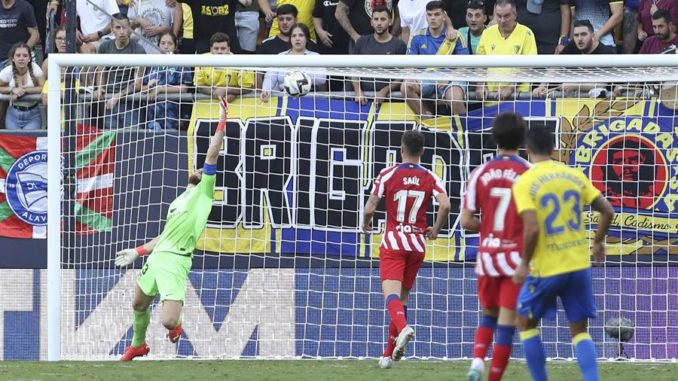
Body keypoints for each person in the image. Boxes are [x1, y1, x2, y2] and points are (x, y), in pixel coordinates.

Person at [115, 97, 229, 361]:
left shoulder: (204, 195)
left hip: (177, 260)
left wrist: (222, 120)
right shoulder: (178, 200)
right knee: (138, 304)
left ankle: (176, 325)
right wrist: (138, 250)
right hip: (157, 257)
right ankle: (138, 345)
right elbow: (165, 235)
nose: (201, 169)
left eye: (204, 170)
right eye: (199, 169)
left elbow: (212, 154)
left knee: (167, 321)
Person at [512, 127, 615, 381]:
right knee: (579, 331)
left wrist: (524, 263)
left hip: (546, 267)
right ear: (554, 150)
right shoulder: (574, 175)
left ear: (528, 150)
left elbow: (533, 227)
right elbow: (608, 211)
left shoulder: (525, 181)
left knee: (524, 323)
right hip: (579, 265)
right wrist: (598, 242)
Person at [362, 129, 451, 369]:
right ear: (422, 152)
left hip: (394, 242)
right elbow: (445, 204)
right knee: (402, 299)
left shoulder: (388, 173)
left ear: (401, 150)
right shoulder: (430, 176)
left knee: (391, 296)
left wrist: (365, 223)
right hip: (416, 244)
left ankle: (404, 328)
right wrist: (435, 230)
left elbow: (370, 207)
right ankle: (388, 355)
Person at [461, 112, 530, 381]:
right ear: (522, 139)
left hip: (487, 256)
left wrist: (489, 228)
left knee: (488, 314)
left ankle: (477, 360)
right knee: (507, 324)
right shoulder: (527, 172)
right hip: (514, 258)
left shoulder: (480, 172)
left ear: (494, 139)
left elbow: (466, 220)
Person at [401, 0, 469, 118]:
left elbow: (465, 66)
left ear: (444, 16)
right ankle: (426, 123)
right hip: (426, 77)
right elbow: (409, 63)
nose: (433, 18)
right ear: (426, 17)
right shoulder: (417, 36)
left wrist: (449, 77)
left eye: (437, 14)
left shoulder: (456, 36)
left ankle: (464, 132)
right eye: (429, 14)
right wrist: (410, 76)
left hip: (450, 78)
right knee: (405, 87)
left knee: (455, 99)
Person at [532, 20, 614, 98]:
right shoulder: (573, 45)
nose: (579, 39)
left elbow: (602, 83)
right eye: (576, 35)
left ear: (593, 36)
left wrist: (575, 85)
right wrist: (542, 85)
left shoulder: (606, 52)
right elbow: (556, 65)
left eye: (583, 34)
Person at [475, 0, 537, 101]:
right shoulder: (487, 33)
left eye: (506, 16)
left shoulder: (526, 33)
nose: (502, 20)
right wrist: (480, 86)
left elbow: (528, 66)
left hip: (518, 98)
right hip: (491, 98)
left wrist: (510, 87)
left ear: (515, 14)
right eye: (499, 16)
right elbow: (480, 64)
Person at [94, 14, 146, 129]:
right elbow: (101, 71)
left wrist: (117, 96)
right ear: (112, 30)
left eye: (125, 27)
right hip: (109, 102)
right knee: (112, 141)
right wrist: (100, 87)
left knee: (132, 140)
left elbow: (137, 84)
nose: (122, 31)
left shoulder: (138, 50)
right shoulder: (104, 47)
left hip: (131, 103)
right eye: (118, 27)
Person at [350, 5, 406, 105]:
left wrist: (385, 90)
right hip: (363, 101)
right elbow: (354, 70)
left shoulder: (399, 45)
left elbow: (401, 76)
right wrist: (358, 91)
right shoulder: (361, 42)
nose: (379, 23)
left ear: (390, 22)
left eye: (383, 19)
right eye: (376, 19)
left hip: (391, 101)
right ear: (371, 22)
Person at [260, 23, 326, 102]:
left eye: (301, 35)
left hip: (308, 98)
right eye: (294, 36)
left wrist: (297, 74)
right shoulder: (280, 56)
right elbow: (270, 77)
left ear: (307, 38)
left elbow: (322, 78)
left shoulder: (315, 56)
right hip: (283, 98)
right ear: (290, 39)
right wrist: (265, 90)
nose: (297, 38)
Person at [142, 32, 193, 132]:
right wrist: (149, 86)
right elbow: (143, 85)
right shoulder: (152, 63)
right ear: (158, 45)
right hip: (151, 114)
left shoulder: (182, 63)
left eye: (169, 43)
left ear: (175, 46)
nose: (166, 46)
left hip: (173, 116)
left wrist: (161, 89)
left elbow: (184, 88)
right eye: (163, 43)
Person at [194, 32, 255, 102]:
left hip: (237, 105)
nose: (219, 52)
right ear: (211, 49)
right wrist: (216, 93)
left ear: (229, 49)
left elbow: (248, 88)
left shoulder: (240, 62)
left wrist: (226, 90)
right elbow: (199, 86)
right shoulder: (201, 61)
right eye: (216, 48)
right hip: (207, 105)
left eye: (223, 48)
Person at [0, 42, 45, 130]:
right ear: (13, 58)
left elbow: (44, 87)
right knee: (13, 142)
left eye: (25, 55)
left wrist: (24, 90)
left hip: (33, 114)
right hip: (13, 113)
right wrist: (12, 89)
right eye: (18, 55)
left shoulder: (35, 68)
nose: (21, 58)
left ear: (29, 58)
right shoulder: (7, 70)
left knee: (29, 142)